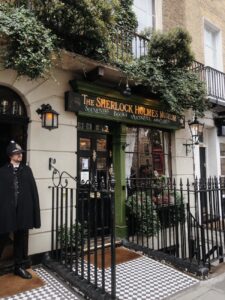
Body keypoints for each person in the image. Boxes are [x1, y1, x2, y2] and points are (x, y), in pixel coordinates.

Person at [0, 141, 41, 279]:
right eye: (17, 153)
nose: (20, 155)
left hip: (23, 212)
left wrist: (34, 212)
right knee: (2, 238)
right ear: (10, 155)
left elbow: (33, 192)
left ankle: (18, 267)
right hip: (6, 212)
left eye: (21, 153)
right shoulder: (2, 171)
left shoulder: (27, 170)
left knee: (20, 240)